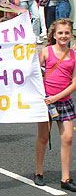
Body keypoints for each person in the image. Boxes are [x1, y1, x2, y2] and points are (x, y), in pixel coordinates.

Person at [35, 19, 76, 191]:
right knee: (44, 137)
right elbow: (35, 74)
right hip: (46, 102)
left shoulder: (74, 55)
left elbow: (74, 82)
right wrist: (45, 97)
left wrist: (58, 96)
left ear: (71, 35)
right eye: (60, 33)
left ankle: (65, 178)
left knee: (68, 138)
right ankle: (38, 172)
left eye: (66, 33)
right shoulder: (46, 51)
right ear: (54, 34)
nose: (63, 36)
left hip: (64, 101)